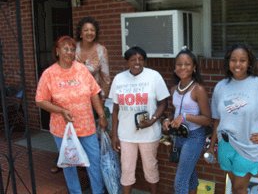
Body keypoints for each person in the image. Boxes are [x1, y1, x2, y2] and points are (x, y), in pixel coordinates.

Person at [207, 43, 258, 194]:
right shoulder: (220, 86)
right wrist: (212, 146)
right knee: (233, 185)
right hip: (225, 146)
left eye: (242, 60)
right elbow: (217, 120)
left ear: (249, 62)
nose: (237, 64)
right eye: (233, 60)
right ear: (228, 62)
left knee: (239, 188)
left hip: (247, 147)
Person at [35, 35, 108, 194]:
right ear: (57, 51)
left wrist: (102, 115)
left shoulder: (81, 69)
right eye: (65, 49)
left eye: (72, 49)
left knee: (94, 162)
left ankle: (98, 191)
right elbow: (40, 100)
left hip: (87, 127)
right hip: (63, 130)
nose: (69, 52)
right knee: (70, 165)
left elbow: (94, 93)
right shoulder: (49, 74)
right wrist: (60, 110)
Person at [109, 46, 170, 194]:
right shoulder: (119, 79)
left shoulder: (154, 76)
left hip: (149, 134)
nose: (137, 62)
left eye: (141, 59)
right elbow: (115, 109)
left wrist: (153, 120)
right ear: (127, 61)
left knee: (150, 167)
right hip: (126, 135)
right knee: (127, 169)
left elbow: (163, 103)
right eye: (133, 59)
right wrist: (114, 135)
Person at [162, 48, 211, 194]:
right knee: (190, 176)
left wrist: (185, 117)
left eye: (187, 64)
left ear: (194, 67)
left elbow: (208, 120)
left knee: (180, 182)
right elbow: (174, 112)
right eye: (179, 64)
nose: (182, 67)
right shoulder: (173, 90)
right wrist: (167, 119)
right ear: (175, 67)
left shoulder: (198, 90)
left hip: (194, 137)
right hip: (179, 135)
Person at [75, 16, 111, 100]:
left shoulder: (101, 50)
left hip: (94, 96)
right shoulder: (73, 49)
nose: (89, 32)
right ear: (80, 34)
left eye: (92, 30)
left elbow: (105, 78)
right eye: (86, 30)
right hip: (74, 96)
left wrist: (103, 98)